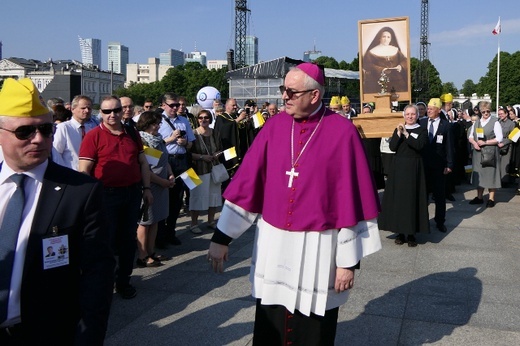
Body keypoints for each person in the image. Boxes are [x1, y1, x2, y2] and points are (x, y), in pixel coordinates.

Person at [207, 63, 382, 345]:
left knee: (314, 324)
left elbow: (352, 200)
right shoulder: (273, 127)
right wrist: (221, 238)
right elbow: (248, 185)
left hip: (320, 244)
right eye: (282, 90)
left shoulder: (342, 132)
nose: (283, 97)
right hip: (275, 243)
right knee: (271, 318)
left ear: (314, 96)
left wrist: (348, 263)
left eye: (291, 91)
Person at [0, 78, 114, 345]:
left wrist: (89, 337)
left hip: (46, 331)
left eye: (46, 129)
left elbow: (98, 272)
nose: (38, 139)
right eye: (24, 132)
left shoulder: (80, 191)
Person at [79, 95, 153, 299]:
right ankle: (105, 281)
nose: (112, 115)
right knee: (106, 241)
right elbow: (84, 170)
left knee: (128, 239)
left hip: (131, 192)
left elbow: (143, 163)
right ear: (100, 113)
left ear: (122, 111)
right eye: (106, 111)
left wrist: (147, 188)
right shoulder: (93, 136)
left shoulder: (131, 132)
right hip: (105, 196)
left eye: (116, 110)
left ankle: (124, 281)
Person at [378, 104, 429, 247]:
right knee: (399, 200)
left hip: (414, 168)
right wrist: (399, 134)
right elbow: (393, 147)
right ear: (404, 116)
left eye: (413, 114)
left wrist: (407, 134)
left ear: (417, 115)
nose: (410, 117)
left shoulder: (422, 129)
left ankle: (412, 234)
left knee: (412, 200)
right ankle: (400, 232)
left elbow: (419, 145)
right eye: (407, 114)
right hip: (399, 168)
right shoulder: (398, 129)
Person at [135, 111, 175, 267]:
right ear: (146, 124)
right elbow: (145, 169)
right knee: (145, 221)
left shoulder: (158, 140)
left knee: (156, 219)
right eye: (155, 123)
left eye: (159, 123)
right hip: (150, 185)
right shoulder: (142, 141)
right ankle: (142, 255)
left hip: (162, 184)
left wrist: (170, 174)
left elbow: (165, 159)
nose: (158, 126)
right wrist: (162, 181)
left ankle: (151, 251)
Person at [157, 92, 196, 247]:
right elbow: (152, 144)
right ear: (163, 105)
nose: (175, 108)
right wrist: (170, 140)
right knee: (163, 198)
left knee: (177, 198)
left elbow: (191, 143)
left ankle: (171, 232)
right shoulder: (158, 121)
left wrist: (185, 143)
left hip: (181, 161)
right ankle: (159, 235)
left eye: (177, 105)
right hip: (166, 161)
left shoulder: (184, 120)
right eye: (172, 105)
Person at [420, 98, 454, 233]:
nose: (428, 110)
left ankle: (440, 221)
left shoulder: (446, 126)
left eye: (431, 108)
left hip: (439, 166)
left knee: (440, 196)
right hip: (423, 165)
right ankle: (423, 221)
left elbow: (450, 147)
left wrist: (450, 164)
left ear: (439, 110)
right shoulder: (421, 123)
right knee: (423, 195)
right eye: (428, 108)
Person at [188, 109, 224, 234]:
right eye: (201, 118)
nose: (203, 120)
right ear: (197, 119)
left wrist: (216, 155)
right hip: (197, 170)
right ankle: (193, 223)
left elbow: (220, 149)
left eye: (206, 117)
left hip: (214, 169)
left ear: (210, 119)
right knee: (197, 196)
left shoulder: (215, 133)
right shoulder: (193, 134)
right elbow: (188, 153)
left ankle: (211, 221)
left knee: (214, 196)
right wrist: (202, 157)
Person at [467, 101, 503, 207]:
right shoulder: (477, 122)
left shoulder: (495, 122)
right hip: (478, 153)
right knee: (479, 175)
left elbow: (499, 138)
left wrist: (485, 142)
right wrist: (474, 143)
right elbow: (470, 136)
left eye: (487, 111)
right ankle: (479, 197)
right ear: (480, 112)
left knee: (491, 174)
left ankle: (491, 198)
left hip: (490, 152)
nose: (486, 113)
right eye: (483, 111)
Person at [53, 95, 97, 170]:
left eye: (89, 108)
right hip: (68, 174)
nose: (87, 111)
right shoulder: (63, 128)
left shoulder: (91, 129)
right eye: (83, 108)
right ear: (73, 109)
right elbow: (56, 153)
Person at [363, 26, 407, 94]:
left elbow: (404, 60)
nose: (386, 39)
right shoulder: (371, 52)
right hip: (378, 81)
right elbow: (367, 65)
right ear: (379, 38)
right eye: (384, 36)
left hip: (397, 82)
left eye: (388, 37)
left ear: (391, 39)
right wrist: (382, 69)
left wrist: (400, 66)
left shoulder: (396, 50)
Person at [497, 106, 515, 186]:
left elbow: (512, 137)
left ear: (506, 114)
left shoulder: (511, 124)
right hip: (497, 144)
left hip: (507, 145)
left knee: (504, 164)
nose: (500, 115)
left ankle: (505, 181)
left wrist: (504, 143)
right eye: (499, 114)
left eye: (502, 114)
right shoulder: (498, 122)